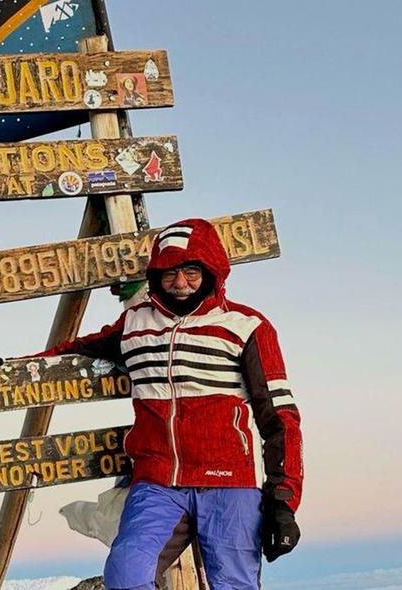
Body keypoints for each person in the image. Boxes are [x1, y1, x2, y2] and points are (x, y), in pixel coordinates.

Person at [42, 218, 302, 590]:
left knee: (234, 585)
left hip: (228, 481)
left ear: (212, 270)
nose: (181, 284)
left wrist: (283, 501)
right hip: (158, 482)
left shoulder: (246, 326)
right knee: (127, 575)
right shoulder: (135, 323)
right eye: (170, 274)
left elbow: (280, 417)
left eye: (192, 272)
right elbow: (70, 352)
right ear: (156, 276)